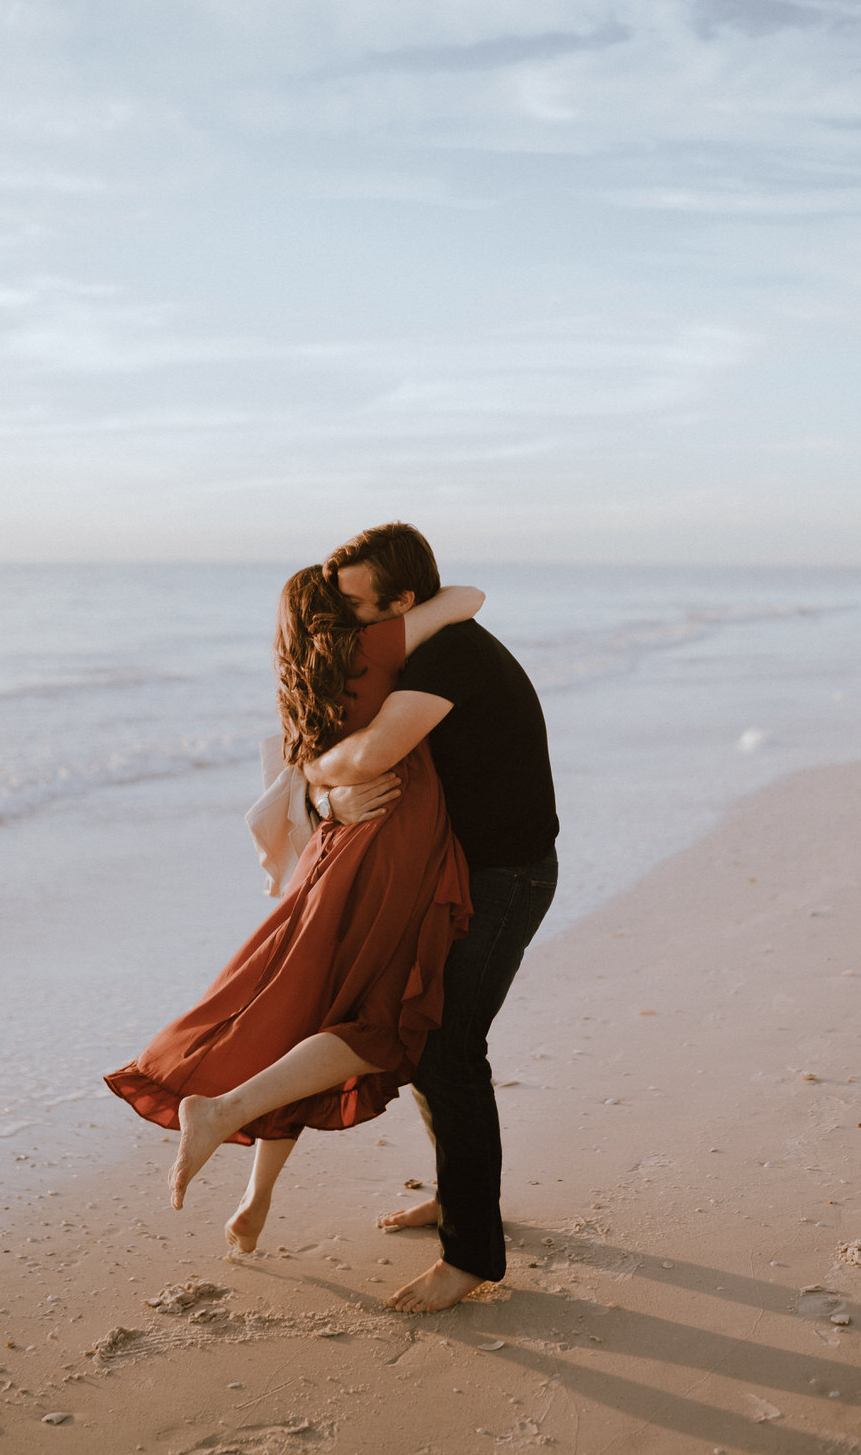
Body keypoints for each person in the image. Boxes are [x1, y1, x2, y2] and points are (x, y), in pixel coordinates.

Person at [104, 565, 483, 1247]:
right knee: (381, 1026)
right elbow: (467, 599)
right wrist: (394, 609)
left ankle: (256, 1196)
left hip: (335, 851)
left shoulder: (300, 676)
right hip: (388, 852)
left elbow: (302, 762)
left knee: (302, 1018)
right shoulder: (373, 649)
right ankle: (221, 1114)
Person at [305, 522, 558, 1314]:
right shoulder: (419, 648)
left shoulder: (450, 655)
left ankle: (472, 1256)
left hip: (506, 878)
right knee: (429, 1035)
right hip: (460, 873)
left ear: (402, 603)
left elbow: (373, 753)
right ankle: (459, 1202)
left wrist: (314, 769)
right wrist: (324, 790)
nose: (341, 624)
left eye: (352, 607)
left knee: (449, 1049)